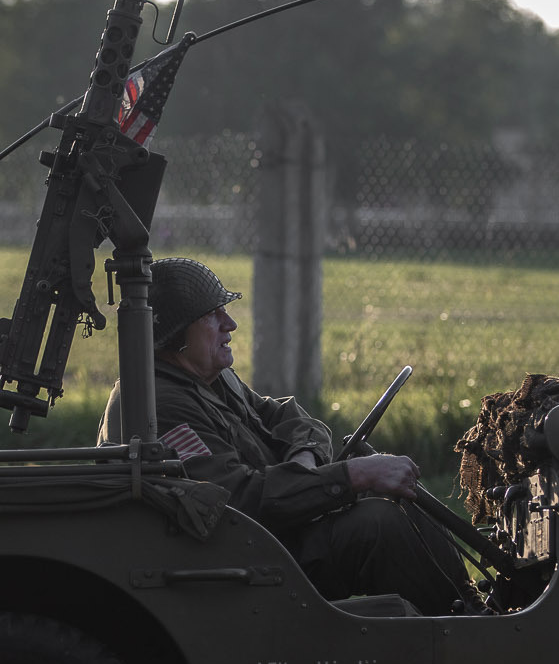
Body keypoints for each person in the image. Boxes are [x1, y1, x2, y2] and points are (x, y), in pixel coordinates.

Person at [100, 257, 471, 615]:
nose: (230, 324)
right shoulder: (159, 405)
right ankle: (465, 630)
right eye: (212, 315)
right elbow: (238, 501)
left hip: (277, 535)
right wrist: (351, 476)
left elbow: (291, 418)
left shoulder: (209, 377)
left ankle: (468, 603)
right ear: (175, 335)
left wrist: (305, 464)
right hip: (243, 559)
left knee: (397, 493)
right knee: (379, 524)